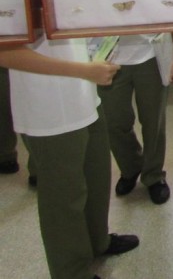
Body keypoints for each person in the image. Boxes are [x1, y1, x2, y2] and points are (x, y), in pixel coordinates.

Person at [0, 36, 139, 279]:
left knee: (96, 178)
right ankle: (71, 272)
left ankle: (97, 242)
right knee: (64, 197)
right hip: (49, 108)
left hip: (84, 95)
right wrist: (83, 70)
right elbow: (5, 52)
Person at [95, 33, 173, 204]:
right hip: (109, 57)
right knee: (114, 121)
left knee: (154, 122)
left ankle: (153, 174)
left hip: (151, 55)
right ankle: (131, 166)